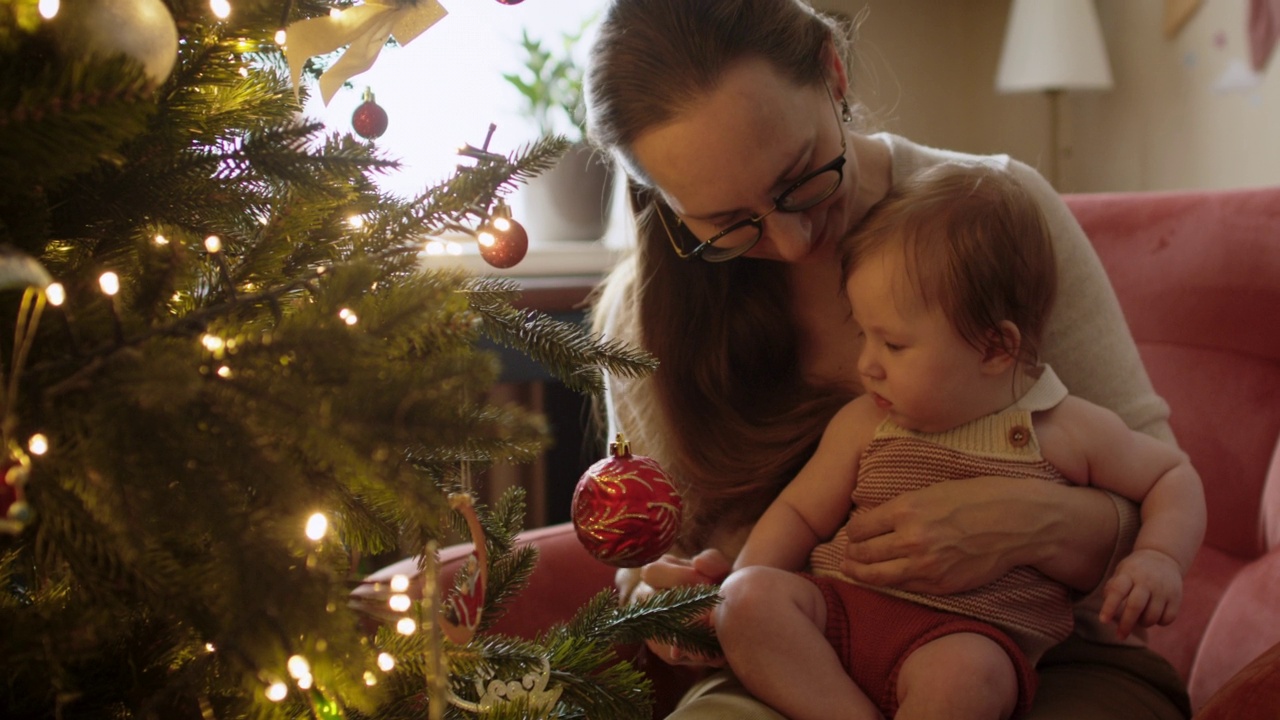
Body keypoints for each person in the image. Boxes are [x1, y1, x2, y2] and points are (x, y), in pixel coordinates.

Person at [584, 0, 1193, 717]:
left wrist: (1037, 522)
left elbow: (1154, 481)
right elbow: (647, 567)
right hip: (803, 657)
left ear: (833, 71)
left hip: (1041, 653)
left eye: (800, 177)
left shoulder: (994, 216)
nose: (791, 241)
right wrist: (665, 599)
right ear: (663, 199)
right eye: (725, 224)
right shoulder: (644, 316)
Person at [712, 163, 1206, 720]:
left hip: (961, 638)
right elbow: (799, 515)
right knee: (745, 599)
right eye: (863, 334)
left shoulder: (1063, 429)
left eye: (893, 345)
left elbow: (1172, 476)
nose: (866, 365)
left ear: (996, 347)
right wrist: (736, 585)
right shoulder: (865, 423)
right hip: (839, 612)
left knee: (968, 678)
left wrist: (1160, 557)